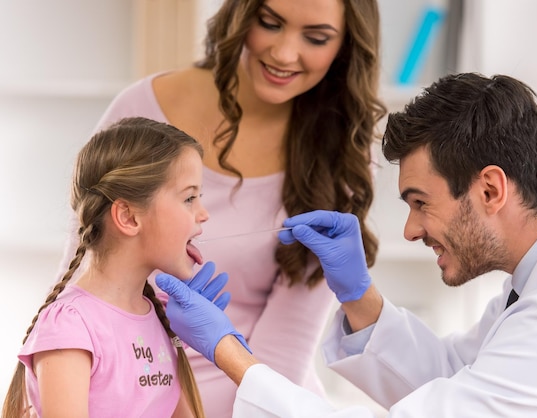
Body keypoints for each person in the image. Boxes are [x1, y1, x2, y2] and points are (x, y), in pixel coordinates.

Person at [155, 73, 537, 417]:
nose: (410, 230)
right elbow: (450, 377)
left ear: (490, 190)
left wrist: (225, 350)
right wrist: (359, 296)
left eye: (420, 202)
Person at [54, 0, 386, 416]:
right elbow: (77, 284)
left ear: (346, 46)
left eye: (316, 38)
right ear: (241, 14)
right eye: (269, 23)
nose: (284, 54)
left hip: (262, 403)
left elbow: (286, 351)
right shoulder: (141, 109)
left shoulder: (343, 154)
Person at [2, 117, 250, 417]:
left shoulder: (157, 316)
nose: (203, 214)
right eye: (189, 198)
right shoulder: (70, 326)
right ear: (129, 217)